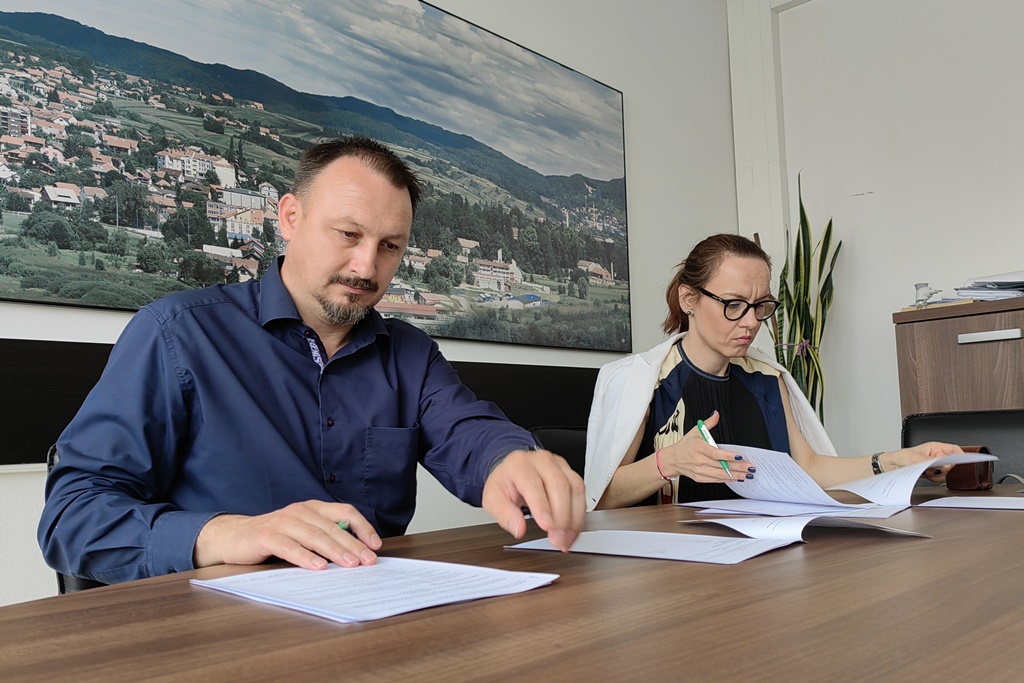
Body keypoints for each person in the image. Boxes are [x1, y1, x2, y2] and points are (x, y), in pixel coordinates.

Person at [39, 137, 584, 584]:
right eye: (348, 234)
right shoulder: (177, 333)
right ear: (291, 217)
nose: (366, 267)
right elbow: (72, 518)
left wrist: (509, 459)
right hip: (215, 636)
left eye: (390, 246)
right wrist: (226, 534)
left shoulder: (411, 354)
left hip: (374, 621)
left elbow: (467, 430)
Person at [584, 233, 959, 510]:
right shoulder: (641, 380)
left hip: (762, 551)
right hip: (670, 563)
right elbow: (601, 499)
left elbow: (808, 468)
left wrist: (895, 461)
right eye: (734, 304)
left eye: (760, 305)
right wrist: (669, 462)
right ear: (689, 299)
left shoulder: (766, 377)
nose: (751, 322)